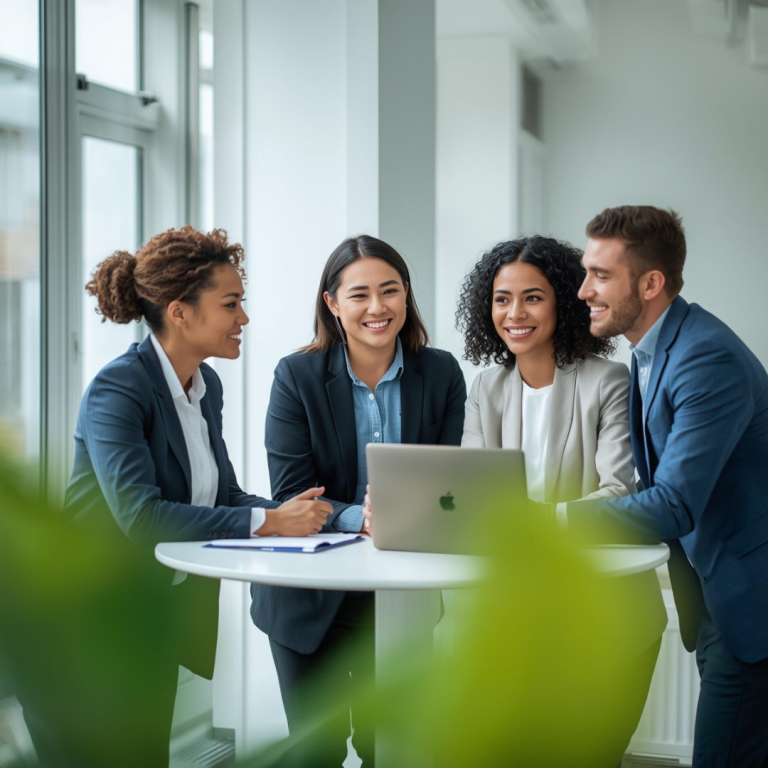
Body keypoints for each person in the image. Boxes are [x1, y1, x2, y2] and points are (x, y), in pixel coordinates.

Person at [38, 227, 332, 766]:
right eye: (231, 304)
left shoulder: (204, 386)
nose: (243, 318)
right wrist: (268, 524)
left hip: (148, 616)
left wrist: (300, 516)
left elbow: (221, 495)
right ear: (179, 312)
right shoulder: (119, 389)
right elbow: (143, 518)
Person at [251, 235, 466, 765]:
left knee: (392, 749)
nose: (377, 308)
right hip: (308, 599)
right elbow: (292, 494)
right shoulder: (296, 376)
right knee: (314, 753)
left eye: (390, 291)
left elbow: (452, 484)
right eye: (360, 295)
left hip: (398, 595)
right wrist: (363, 517)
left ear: (407, 295)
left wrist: (406, 514)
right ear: (332, 304)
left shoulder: (440, 373)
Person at [450, 236, 666, 763]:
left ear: (564, 301)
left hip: (604, 614)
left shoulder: (609, 381)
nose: (514, 313)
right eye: (502, 299)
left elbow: (618, 491)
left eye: (533, 297)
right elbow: (472, 494)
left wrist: (527, 523)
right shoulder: (487, 387)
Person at [567, 206, 768, 767]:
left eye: (600, 275)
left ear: (651, 283)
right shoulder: (655, 349)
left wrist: (554, 521)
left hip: (749, 602)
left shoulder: (706, 357)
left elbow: (675, 503)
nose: (583, 291)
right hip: (714, 596)